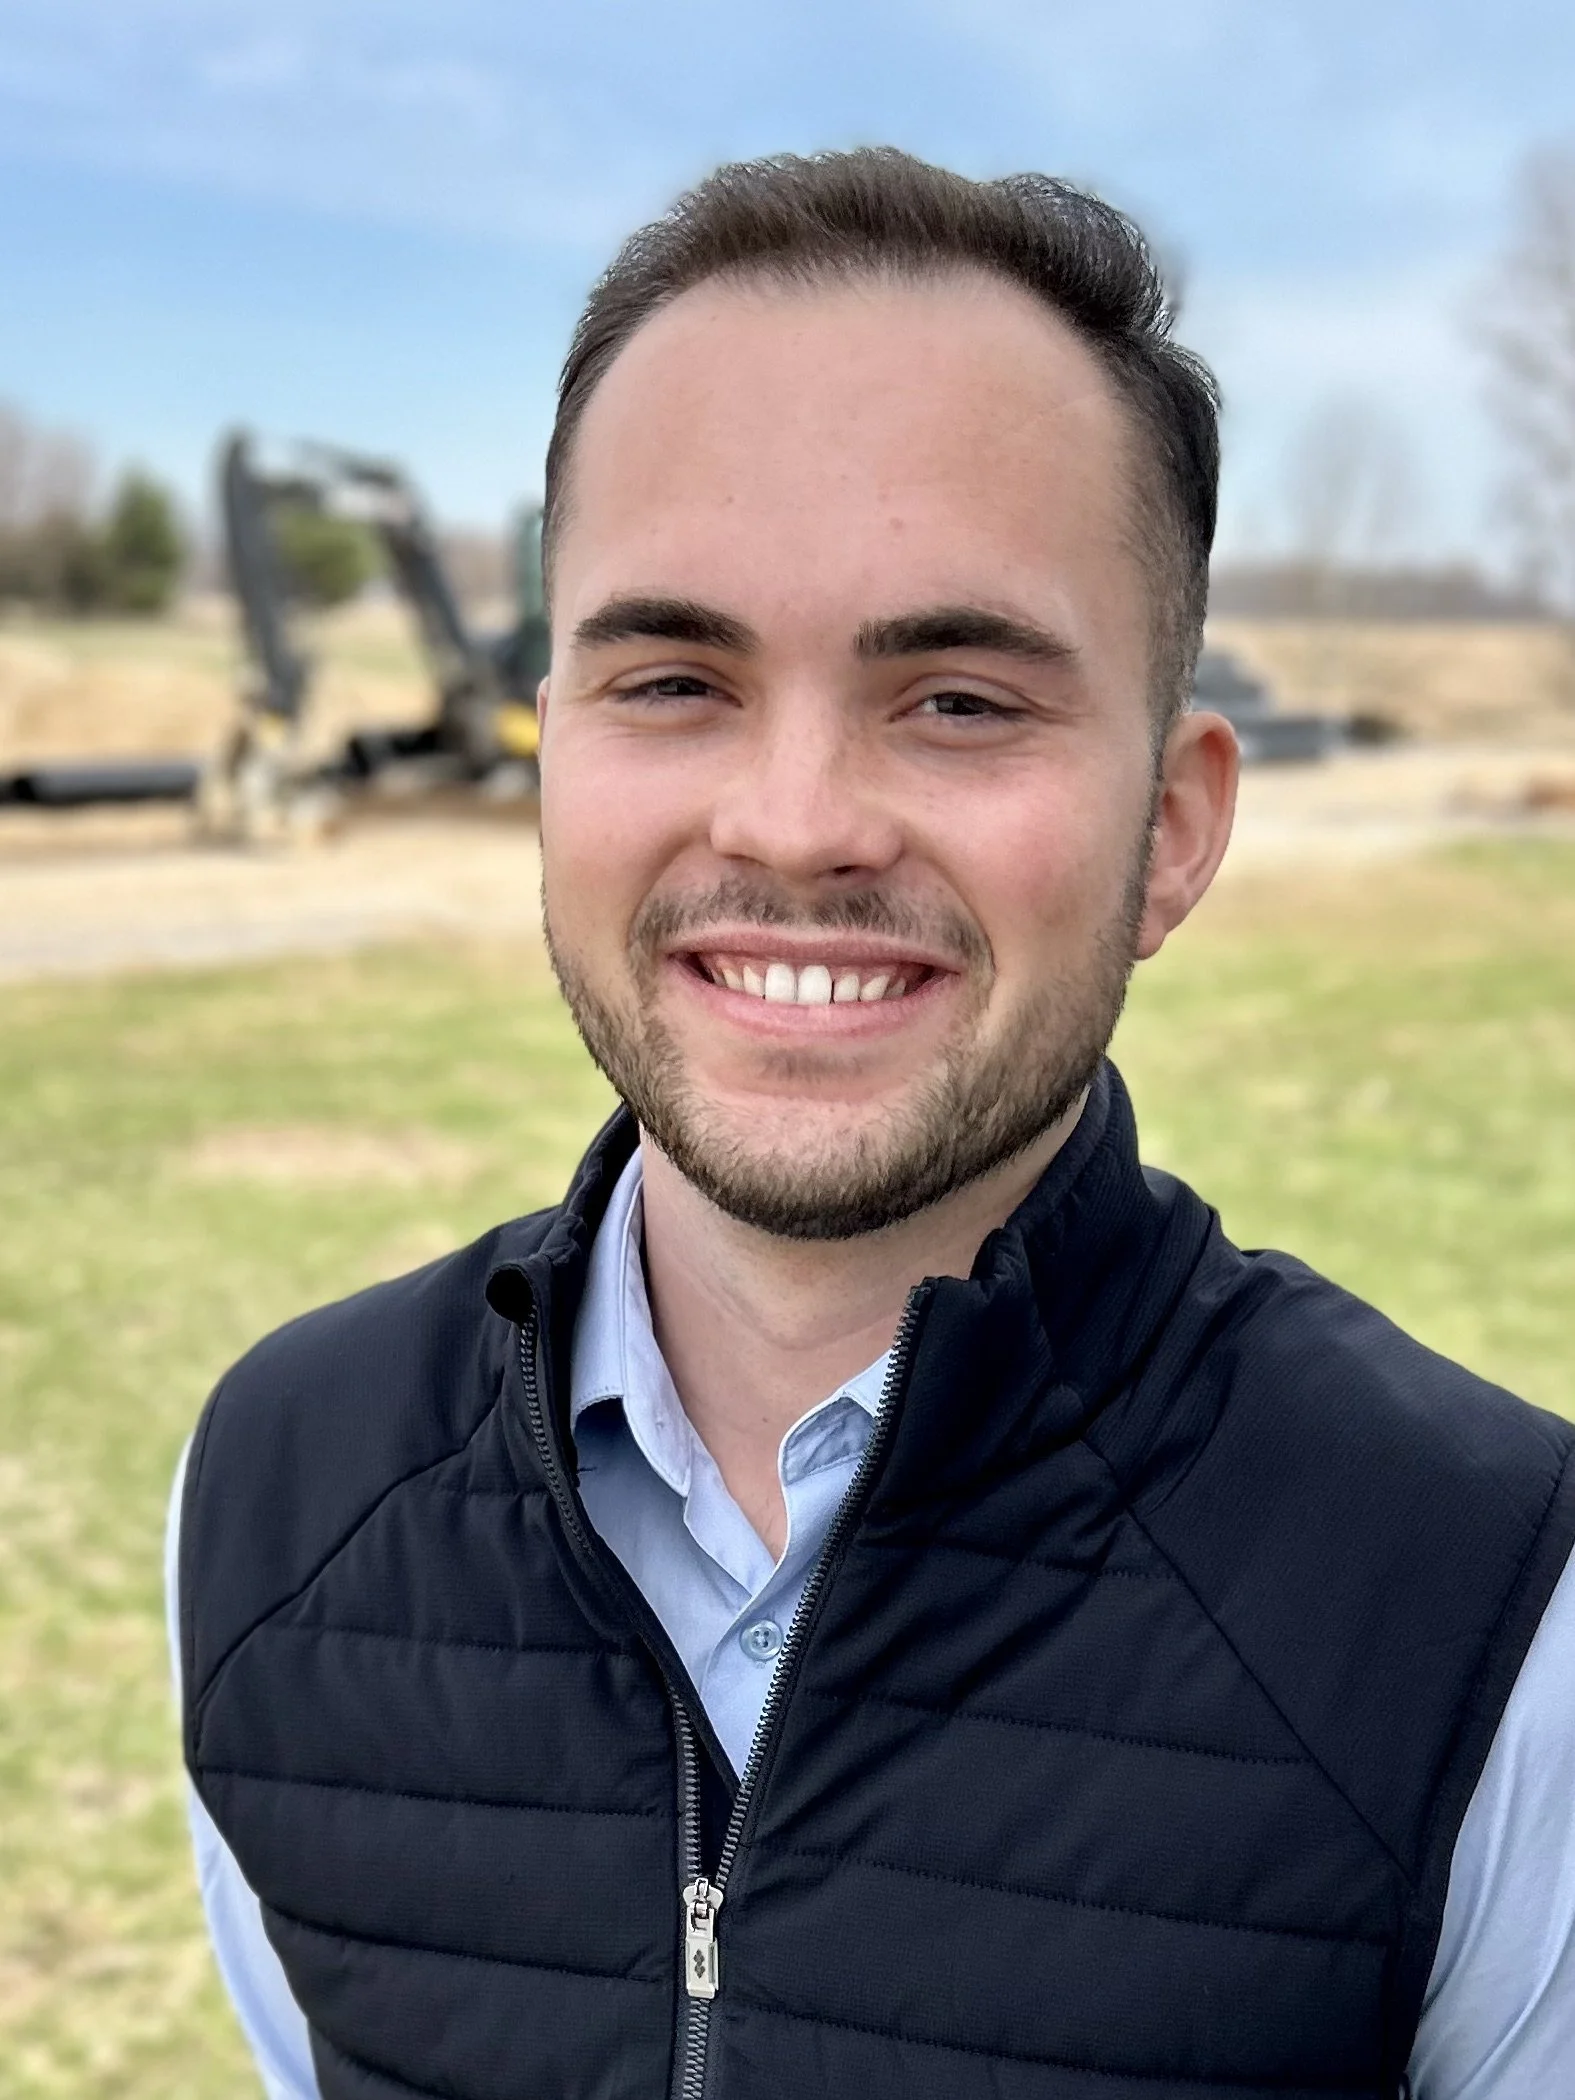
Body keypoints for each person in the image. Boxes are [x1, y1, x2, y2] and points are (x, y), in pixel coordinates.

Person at [168, 150, 1575, 2100]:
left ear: (1168, 833)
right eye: (673, 678)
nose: (795, 818)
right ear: (550, 750)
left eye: (961, 701)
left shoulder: (1492, 1613)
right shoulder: (268, 1500)